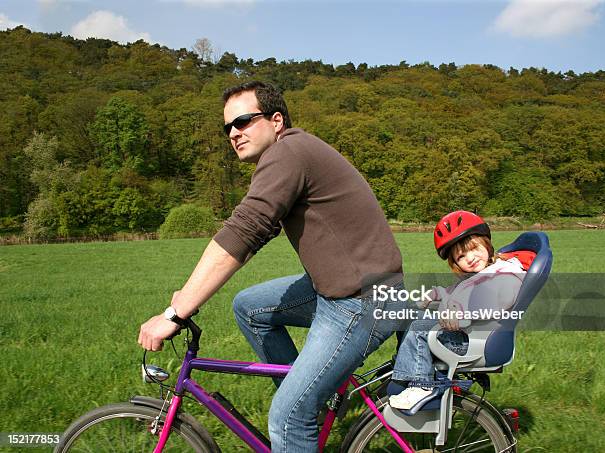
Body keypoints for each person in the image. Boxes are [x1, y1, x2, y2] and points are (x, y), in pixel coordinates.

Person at [138, 81, 404, 452]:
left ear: (276, 120)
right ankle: (312, 397)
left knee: (287, 417)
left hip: (361, 301)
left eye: (244, 121)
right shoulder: (293, 152)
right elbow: (255, 229)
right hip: (345, 288)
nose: (234, 133)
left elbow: (245, 230)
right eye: (228, 127)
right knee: (249, 307)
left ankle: (302, 410)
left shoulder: (289, 152)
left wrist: (176, 311)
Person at [389, 210, 526, 411]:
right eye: (462, 256)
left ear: (486, 244)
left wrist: (460, 312)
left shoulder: (504, 274)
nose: (470, 258)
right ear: (455, 263)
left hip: (476, 340)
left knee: (419, 328)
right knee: (410, 316)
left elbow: (497, 301)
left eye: (474, 249)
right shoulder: (478, 275)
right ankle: (407, 366)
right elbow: (453, 293)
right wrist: (436, 294)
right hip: (465, 334)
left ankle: (421, 385)